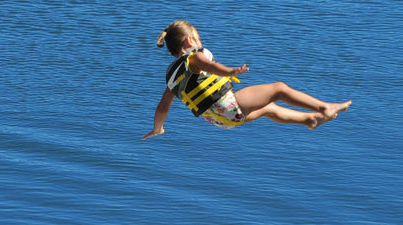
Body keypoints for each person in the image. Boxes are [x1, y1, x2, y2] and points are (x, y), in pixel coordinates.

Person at [143, 20, 351, 139]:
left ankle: (310, 119)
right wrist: (231, 71)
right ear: (190, 40)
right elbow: (210, 66)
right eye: (198, 38)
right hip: (227, 106)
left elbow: (163, 107)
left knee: (269, 108)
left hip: (218, 120)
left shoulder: (171, 75)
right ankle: (324, 108)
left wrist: (157, 128)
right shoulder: (196, 55)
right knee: (279, 89)